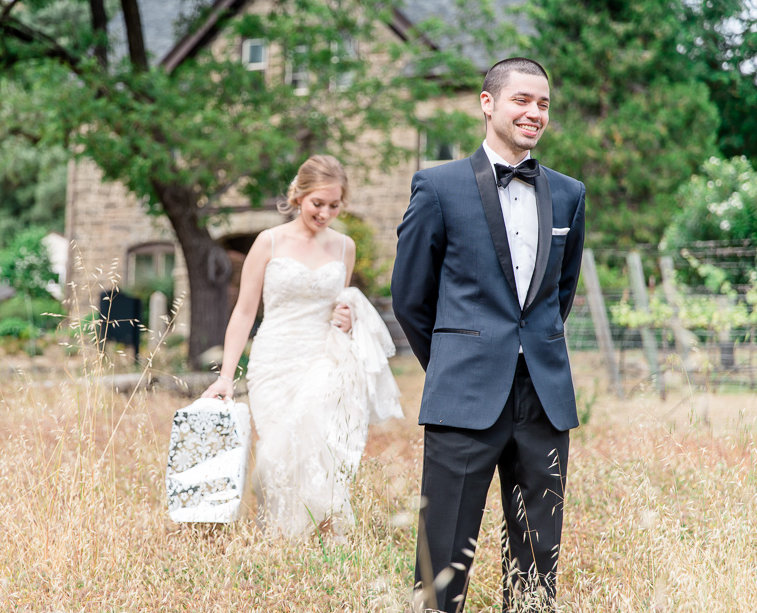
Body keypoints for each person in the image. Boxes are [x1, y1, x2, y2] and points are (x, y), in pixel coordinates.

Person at [391, 58, 585, 612]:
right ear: (487, 103)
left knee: (537, 557)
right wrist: (456, 359)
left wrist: (531, 350)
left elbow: (558, 295)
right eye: (522, 100)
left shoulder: (569, 194)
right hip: (464, 393)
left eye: (543, 103)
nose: (534, 113)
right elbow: (409, 297)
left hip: (544, 397)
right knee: (443, 554)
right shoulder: (437, 186)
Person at [202, 154, 402, 538]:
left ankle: (325, 533)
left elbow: (341, 305)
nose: (325, 212)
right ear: (299, 196)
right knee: (277, 453)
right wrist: (227, 376)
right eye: (317, 203)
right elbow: (244, 312)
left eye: (334, 205)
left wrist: (347, 318)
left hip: (324, 360)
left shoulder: (345, 247)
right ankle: (282, 538)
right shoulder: (269, 242)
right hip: (273, 360)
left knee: (319, 446)